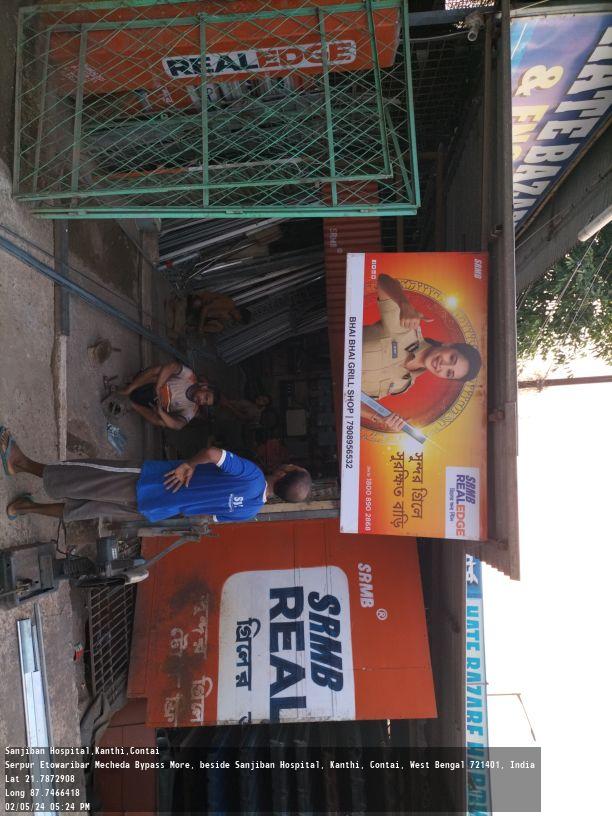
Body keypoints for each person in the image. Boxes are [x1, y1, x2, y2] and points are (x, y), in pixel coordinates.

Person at [0, 427, 312, 525]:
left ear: (285, 471)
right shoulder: (250, 511)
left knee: (87, 477)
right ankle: (26, 508)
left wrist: (189, 465)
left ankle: (21, 463)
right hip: (156, 508)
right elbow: (205, 518)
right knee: (88, 508)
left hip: (153, 482)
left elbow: (213, 453)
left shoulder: (254, 475)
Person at [361, 274, 482, 433]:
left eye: (449, 372)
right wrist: (403, 303)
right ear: (448, 345)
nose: (443, 365)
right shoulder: (407, 329)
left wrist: (378, 417)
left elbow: (354, 399)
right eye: (451, 358)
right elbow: (383, 281)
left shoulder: (402, 385)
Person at [119, 361, 219, 430]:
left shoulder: (191, 410)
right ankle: (129, 388)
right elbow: (172, 366)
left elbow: (178, 425)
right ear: (204, 387)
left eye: (205, 403)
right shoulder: (190, 376)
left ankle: (132, 404)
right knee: (159, 370)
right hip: (150, 383)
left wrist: (161, 412)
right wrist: (158, 387)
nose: (202, 401)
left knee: (163, 422)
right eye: (205, 397)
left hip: (152, 404)